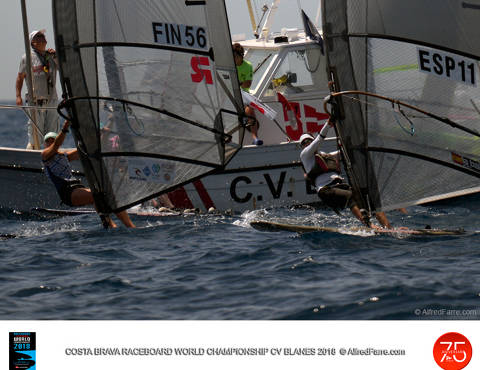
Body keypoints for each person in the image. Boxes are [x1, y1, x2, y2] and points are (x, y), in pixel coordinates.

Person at [41, 120, 135, 228]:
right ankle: (115, 225)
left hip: (77, 188)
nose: (51, 142)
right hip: (67, 193)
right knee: (97, 195)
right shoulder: (45, 156)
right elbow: (57, 144)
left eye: (53, 139)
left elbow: (87, 149)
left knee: (106, 195)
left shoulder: (64, 157)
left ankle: (119, 225)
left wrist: (101, 135)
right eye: (48, 141)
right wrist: (65, 127)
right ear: (45, 144)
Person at [299, 120, 392, 229]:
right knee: (350, 196)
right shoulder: (305, 155)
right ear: (302, 146)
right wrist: (328, 124)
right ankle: (369, 225)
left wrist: (357, 146)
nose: (307, 143)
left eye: (308, 141)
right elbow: (319, 139)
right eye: (304, 143)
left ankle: (388, 227)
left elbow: (342, 153)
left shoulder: (323, 155)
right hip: (326, 190)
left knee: (368, 198)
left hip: (338, 185)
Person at [16, 29, 60, 149]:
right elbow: (20, 77)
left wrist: (56, 56)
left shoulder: (51, 56)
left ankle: (51, 155)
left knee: (52, 134)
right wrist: (18, 96)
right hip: (35, 101)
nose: (42, 37)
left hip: (51, 100)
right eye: (38, 36)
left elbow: (63, 68)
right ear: (32, 42)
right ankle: (32, 153)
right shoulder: (27, 58)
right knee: (35, 135)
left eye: (42, 35)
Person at [233, 43, 262, 145]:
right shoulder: (230, 65)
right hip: (232, 95)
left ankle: (255, 138)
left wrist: (238, 83)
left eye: (235, 56)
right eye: (232, 56)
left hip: (244, 95)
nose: (234, 59)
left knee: (250, 110)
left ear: (241, 56)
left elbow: (247, 85)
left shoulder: (248, 66)